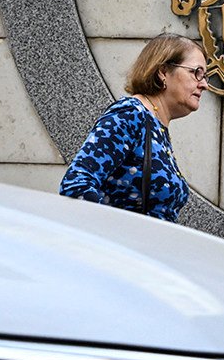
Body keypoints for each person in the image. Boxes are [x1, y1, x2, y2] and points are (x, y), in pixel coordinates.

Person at [59, 35, 208, 222]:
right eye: (196, 73)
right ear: (163, 72)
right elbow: (76, 186)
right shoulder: (131, 114)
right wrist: (120, 240)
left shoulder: (156, 125)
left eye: (205, 76)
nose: (204, 84)